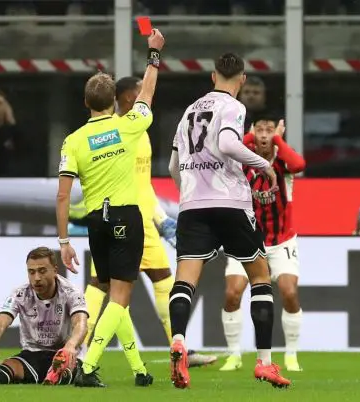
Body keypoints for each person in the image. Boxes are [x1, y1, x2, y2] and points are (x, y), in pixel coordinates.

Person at [167, 53, 291, 389]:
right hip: (230, 203)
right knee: (261, 276)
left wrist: (189, 194)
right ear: (243, 78)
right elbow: (226, 143)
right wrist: (262, 165)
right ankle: (265, 363)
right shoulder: (233, 107)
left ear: (212, 76)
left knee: (185, 281)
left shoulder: (189, 112)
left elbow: (171, 168)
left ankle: (178, 340)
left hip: (192, 205)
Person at [80, 76, 217, 368]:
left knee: (162, 280)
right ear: (127, 98)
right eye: (137, 93)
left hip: (139, 218)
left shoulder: (139, 131)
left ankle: (179, 348)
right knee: (101, 285)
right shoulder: (122, 131)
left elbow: (142, 184)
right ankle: (77, 349)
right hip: (127, 218)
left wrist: (162, 218)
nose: (142, 96)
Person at [55, 29, 165, 387]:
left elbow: (61, 196)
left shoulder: (73, 141)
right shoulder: (128, 125)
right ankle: (86, 366)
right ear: (116, 102)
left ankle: (138, 369)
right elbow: (147, 92)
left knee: (113, 292)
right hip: (125, 217)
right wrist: (153, 54)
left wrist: (63, 240)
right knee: (120, 296)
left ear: (86, 104)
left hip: (94, 223)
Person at [219, 117, 306, 373]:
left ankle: (291, 354)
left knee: (289, 292)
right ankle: (234, 355)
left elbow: (300, 164)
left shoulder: (283, 162)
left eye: (270, 130)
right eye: (260, 130)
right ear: (252, 133)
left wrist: (279, 138)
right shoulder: (243, 158)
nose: (265, 135)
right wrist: (247, 139)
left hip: (281, 241)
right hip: (246, 238)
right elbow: (227, 150)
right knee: (232, 293)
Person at [0, 247, 89, 386]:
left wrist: (70, 346)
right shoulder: (21, 294)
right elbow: (2, 320)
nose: (37, 278)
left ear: (55, 270)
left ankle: (58, 374)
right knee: (11, 365)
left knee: (68, 367)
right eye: (31, 272)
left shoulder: (71, 292)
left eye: (42, 271)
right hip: (33, 353)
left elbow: (81, 324)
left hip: (65, 354)